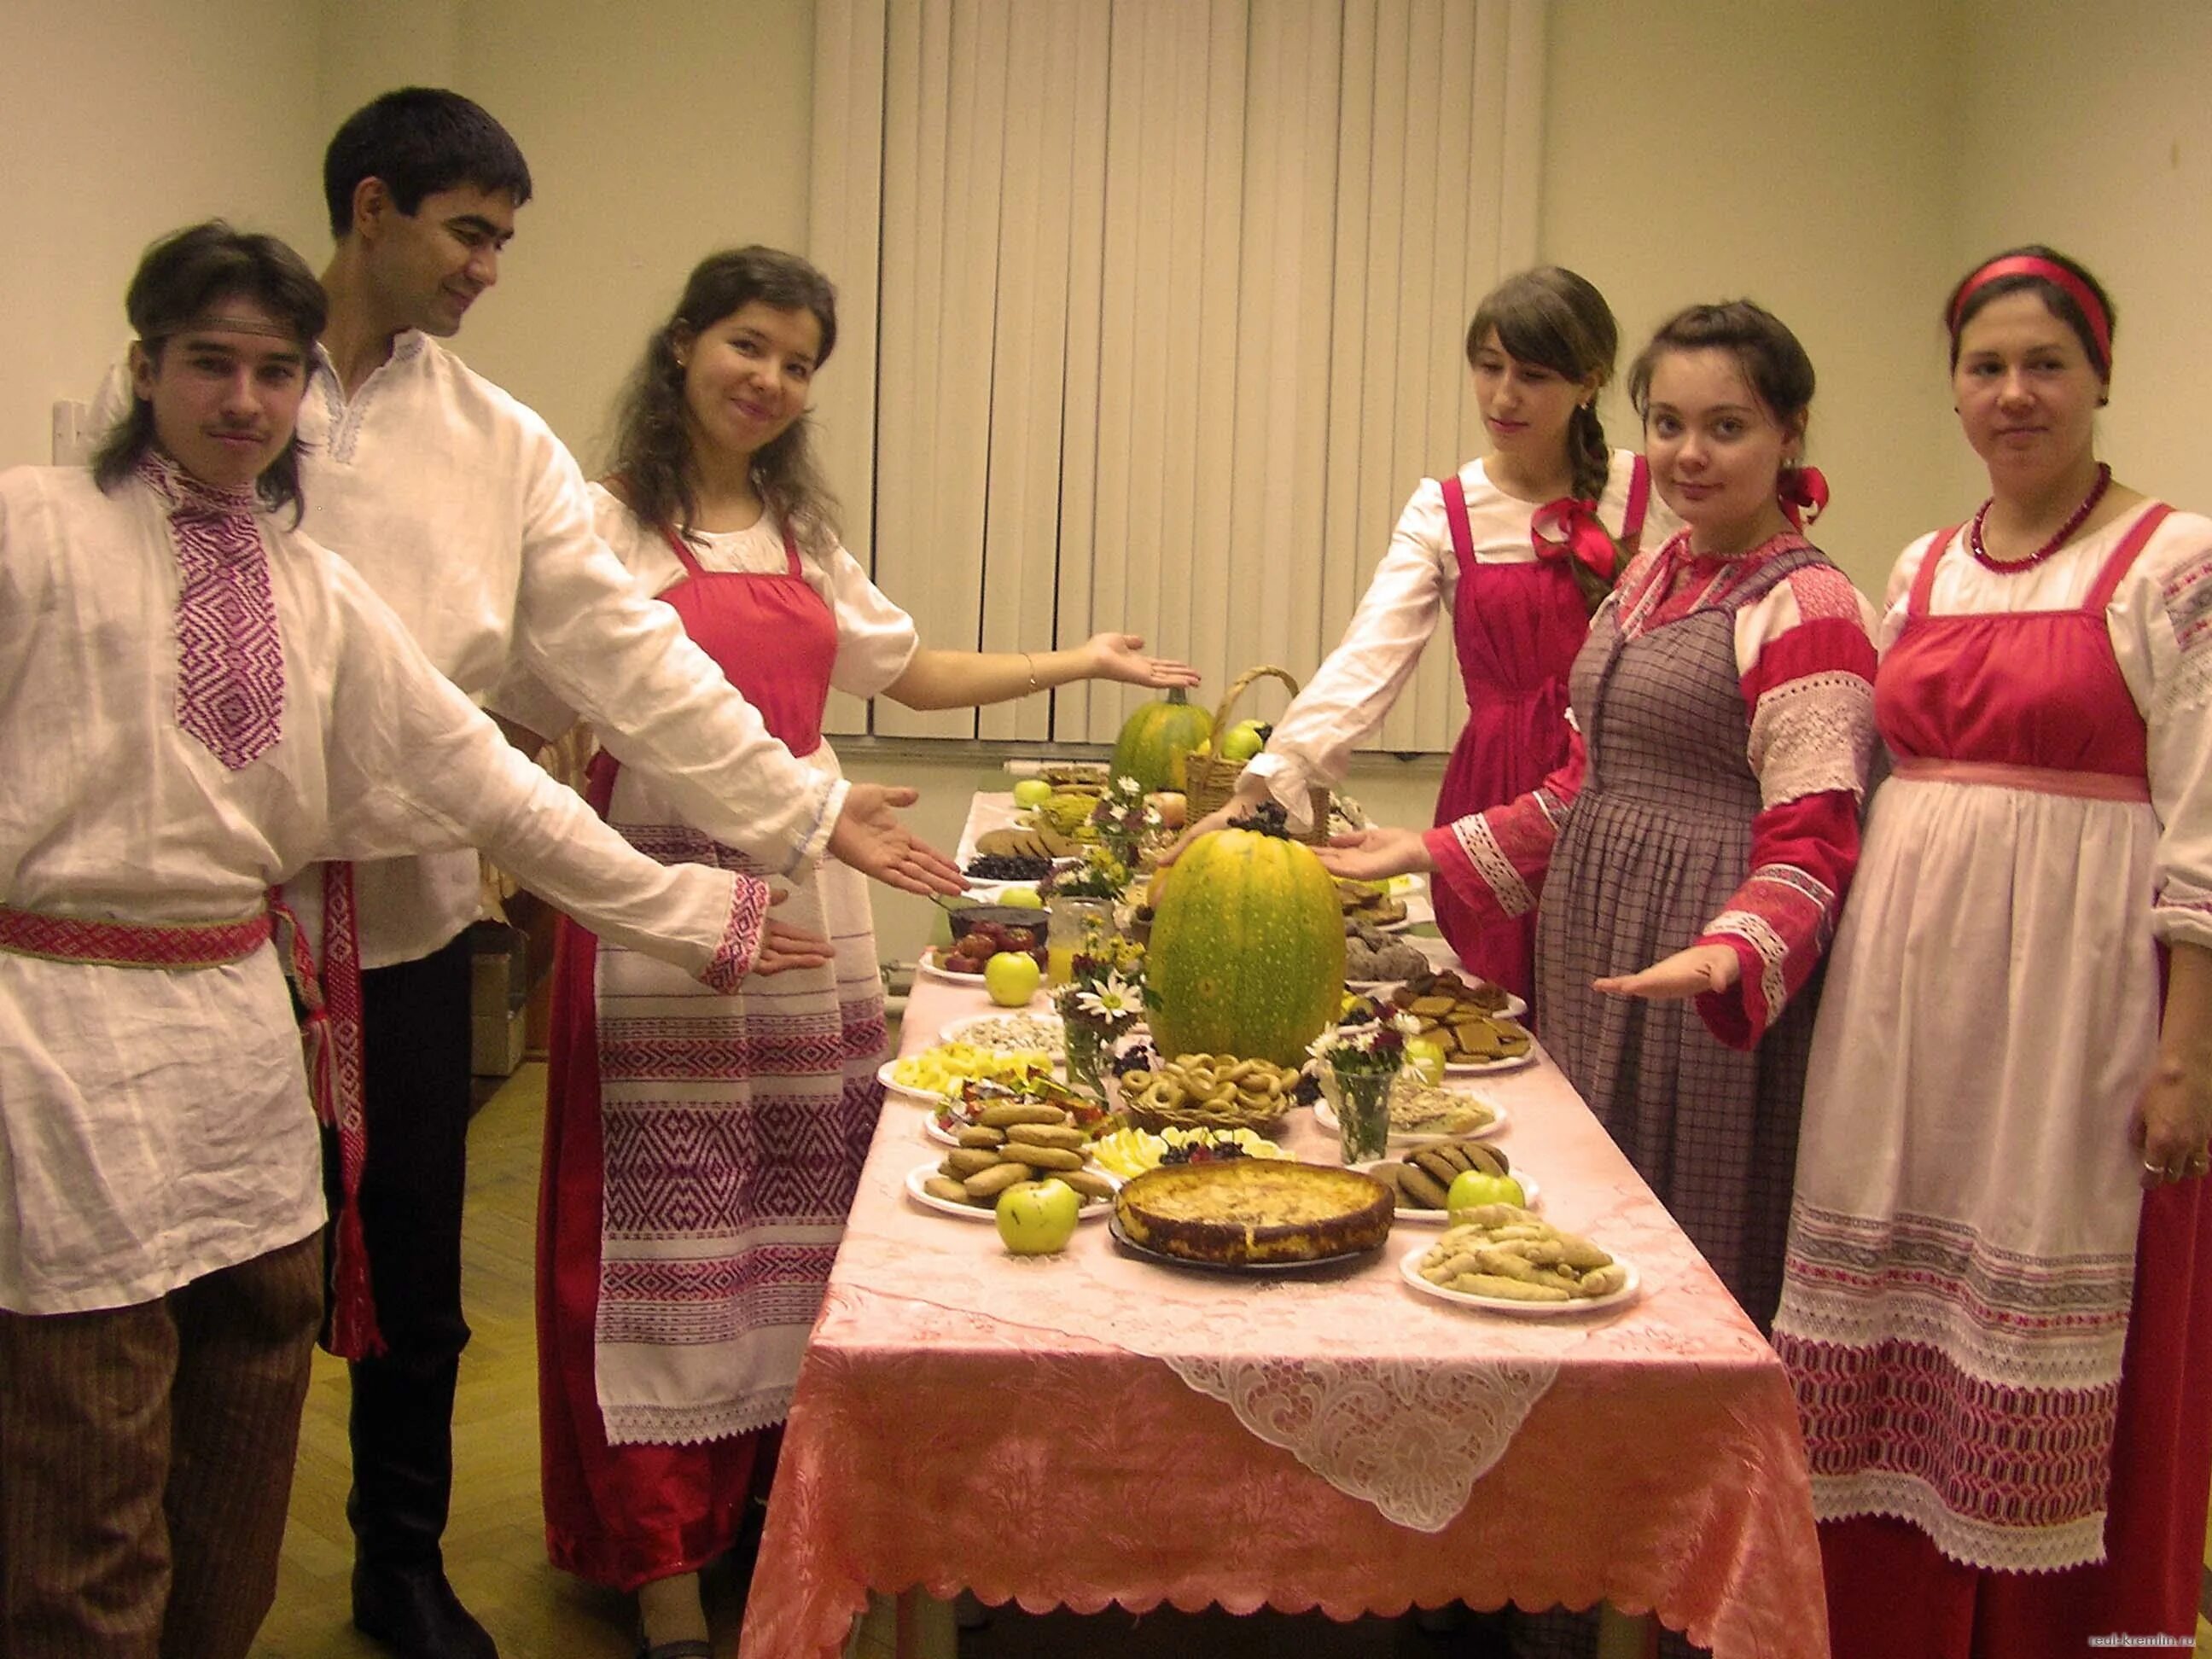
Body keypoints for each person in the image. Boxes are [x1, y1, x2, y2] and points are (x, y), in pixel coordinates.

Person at [115, 90, 964, 1659]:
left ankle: (397, 1560)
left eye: (506, 238)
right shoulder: (230, 405)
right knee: (206, 1283)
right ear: (371, 208)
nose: (491, 267)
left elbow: (632, 664)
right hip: (211, 926)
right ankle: (160, 1574)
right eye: (470, 231)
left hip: (416, 908)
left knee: (420, 1274)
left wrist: (794, 805)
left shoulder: (497, 442)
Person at [0, 223, 833, 1659]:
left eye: (276, 371)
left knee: (245, 1445)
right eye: (211, 364)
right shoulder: (29, 530)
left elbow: (489, 781)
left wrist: (703, 907)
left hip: (243, 1045)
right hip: (55, 1040)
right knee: (88, 1464)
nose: (247, 402)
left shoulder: (317, 589)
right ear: (143, 369)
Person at [488, 245, 1196, 1658]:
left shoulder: (803, 537)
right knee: (665, 1229)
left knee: (805, 1213)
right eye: (748, 343)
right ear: (684, 342)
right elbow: (524, 682)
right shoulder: (600, 519)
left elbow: (904, 671)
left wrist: (1080, 660)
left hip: (819, 884)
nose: (769, 379)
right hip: (658, 897)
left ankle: (769, 1511)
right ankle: (659, 1559)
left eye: (799, 361)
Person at [1770, 248, 2212, 1657]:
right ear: (1952, 386)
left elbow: (2207, 830)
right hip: (1908, 1011)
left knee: (2043, 1330)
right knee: (1887, 1309)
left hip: (2073, 1013)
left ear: (2099, 376)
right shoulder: (1919, 563)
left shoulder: (2179, 562)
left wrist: (2186, 1053)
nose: (2012, 393)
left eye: (2045, 364)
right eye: (1984, 366)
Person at [1318, 300, 1877, 1335]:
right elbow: (1584, 784)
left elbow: (1818, 834)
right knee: (1583, 1239)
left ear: (1790, 433)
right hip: (1601, 941)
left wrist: (1731, 952)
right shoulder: (1657, 576)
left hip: (1698, 958)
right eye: (1666, 425)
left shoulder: (1810, 609)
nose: (1689, 455)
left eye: (1727, 427)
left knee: (1685, 1244)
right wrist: (1426, 848)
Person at [1178, 267, 1679, 1001]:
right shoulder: (1445, 508)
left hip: (1618, 789)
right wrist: (1263, 794)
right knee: (1497, 1020)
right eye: (1488, 367)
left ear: (1588, 382)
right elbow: (1367, 659)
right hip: (1492, 789)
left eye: (1532, 375)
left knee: (1606, 1004)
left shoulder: (1650, 492)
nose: (1503, 395)